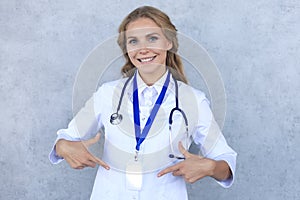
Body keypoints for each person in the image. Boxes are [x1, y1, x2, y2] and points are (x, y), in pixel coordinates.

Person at [49, 6, 237, 200]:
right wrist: (64, 146)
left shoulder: (193, 101)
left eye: (152, 38)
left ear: (169, 42)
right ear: (127, 49)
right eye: (133, 41)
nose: (143, 48)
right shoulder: (107, 94)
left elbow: (226, 160)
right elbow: (65, 139)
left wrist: (212, 167)